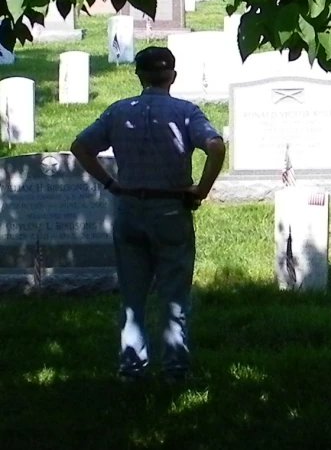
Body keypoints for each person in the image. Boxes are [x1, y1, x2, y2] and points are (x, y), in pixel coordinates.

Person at [70, 46, 226, 381]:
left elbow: (80, 146)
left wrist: (109, 183)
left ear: (138, 75)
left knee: (132, 295)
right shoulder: (185, 112)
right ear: (172, 75)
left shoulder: (119, 111)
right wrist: (202, 189)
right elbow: (215, 145)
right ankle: (175, 369)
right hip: (170, 207)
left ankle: (132, 368)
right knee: (174, 293)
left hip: (129, 205)